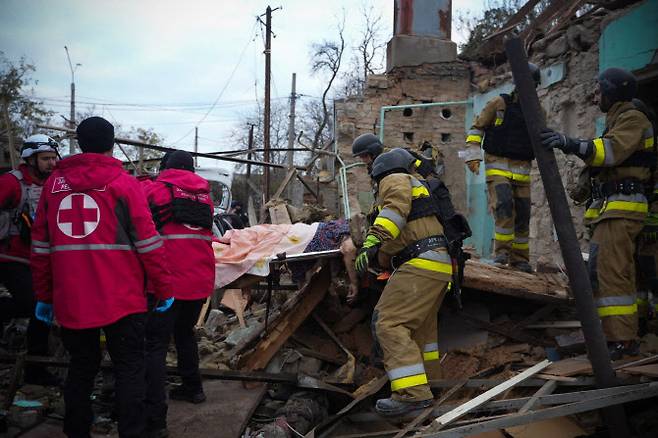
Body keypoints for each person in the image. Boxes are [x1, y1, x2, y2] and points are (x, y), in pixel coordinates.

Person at [30, 116, 173, 438]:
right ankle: (133, 432)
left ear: (78, 144)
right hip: (123, 299)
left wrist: (44, 295)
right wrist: (164, 289)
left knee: (81, 367)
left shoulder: (53, 185)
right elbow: (149, 243)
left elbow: (39, 246)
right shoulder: (123, 183)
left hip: (72, 299)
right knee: (129, 368)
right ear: (111, 144)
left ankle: (77, 431)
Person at [541, 67, 653, 359]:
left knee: (609, 274)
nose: (595, 95)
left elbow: (611, 152)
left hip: (621, 210)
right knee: (617, 273)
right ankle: (626, 332)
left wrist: (569, 143)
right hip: (613, 210)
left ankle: (622, 340)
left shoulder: (632, 118)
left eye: (599, 90)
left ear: (612, 91)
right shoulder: (619, 118)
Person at [354, 148, 452, 416]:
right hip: (438, 265)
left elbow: (394, 211)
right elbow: (401, 236)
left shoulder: (393, 179)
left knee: (389, 323)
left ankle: (411, 395)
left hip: (419, 264)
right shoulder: (417, 184)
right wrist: (382, 257)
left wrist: (372, 241)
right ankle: (431, 384)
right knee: (423, 333)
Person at [143, 150, 215, 436]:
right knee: (185, 334)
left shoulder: (153, 190)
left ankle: (154, 416)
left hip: (166, 281)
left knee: (155, 344)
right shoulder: (205, 196)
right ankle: (193, 388)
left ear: (165, 167)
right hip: (199, 280)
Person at [463, 63, 542, 273]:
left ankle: (520, 259)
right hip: (497, 166)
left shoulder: (537, 112)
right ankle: (501, 254)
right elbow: (477, 129)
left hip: (523, 171)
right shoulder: (498, 104)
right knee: (504, 206)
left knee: (523, 214)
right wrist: (472, 156)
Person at [0, 134, 59, 385]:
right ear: (30, 159)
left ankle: (36, 369)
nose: (52, 163)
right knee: (34, 305)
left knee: (43, 309)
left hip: (36, 258)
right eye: (46, 159)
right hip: (9, 257)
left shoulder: (53, 185)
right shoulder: (11, 183)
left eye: (54, 158)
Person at [630, 98, 657, 335]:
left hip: (652, 227)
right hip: (638, 220)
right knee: (637, 273)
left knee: (653, 273)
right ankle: (640, 321)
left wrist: (652, 223)